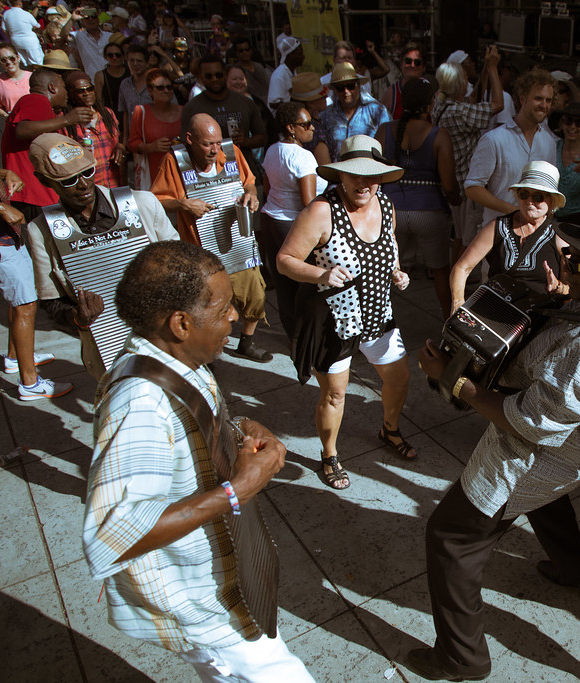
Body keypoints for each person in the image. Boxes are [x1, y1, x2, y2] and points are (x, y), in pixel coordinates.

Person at [408, 199, 580, 682]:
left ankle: (462, 658)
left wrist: (453, 381)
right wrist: (570, 291)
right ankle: (579, 571)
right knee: (546, 500)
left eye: (577, 263)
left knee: (451, 538)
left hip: (545, 451)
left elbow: (531, 423)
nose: (564, 264)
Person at [82, 240, 315, 682]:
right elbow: (110, 532)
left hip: (222, 588)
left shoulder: (177, 361)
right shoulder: (140, 404)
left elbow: (190, 424)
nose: (234, 315)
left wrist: (242, 425)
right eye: (224, 307)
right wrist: (238, 489)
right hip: (202, 609)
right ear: (181, 322)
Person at [276, 135, 413, 489]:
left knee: (398, 378)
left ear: (381, 177)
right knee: (335, 394)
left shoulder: (386, 204)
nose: (363, 183)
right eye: (354, 175)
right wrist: (321, 273)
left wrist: (396, 269)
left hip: (378, 313)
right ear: (341, 176)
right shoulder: (321, 211)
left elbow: (390, 241)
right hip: (333, 321)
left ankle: (390, 429)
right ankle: (329, 454)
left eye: (371, 176)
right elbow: (285, 260)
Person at [23, 132, 178, 378]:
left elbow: (182, 263)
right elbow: (51, 302)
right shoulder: (42, 231)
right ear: (44, 180)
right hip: (106, 345)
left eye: (87, 173)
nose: (83, 184)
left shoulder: (142, 204)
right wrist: (78, 317)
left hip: (167, 334)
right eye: (68, 180)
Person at [151, 113, 272, 363]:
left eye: (217, 143)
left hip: (237, 244)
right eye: (207, 144)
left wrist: (251, 195)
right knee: (207, 308)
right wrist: (183, 205)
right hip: (200, 251)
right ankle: (209, 353)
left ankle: (246, 343)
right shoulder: (174, 162)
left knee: (255, 295)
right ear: (189, 139)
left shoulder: (232, 152)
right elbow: (156, 201)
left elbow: (249, 182)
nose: (214, 150)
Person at [376, 77, 460, 319]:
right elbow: (449, 184)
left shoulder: (384, 131)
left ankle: (377, 323)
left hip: (390, 211)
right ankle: (449, 322)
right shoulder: (439, 135)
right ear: (430, 104)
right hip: (429, 212)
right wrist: (456, 201)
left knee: (383, 271)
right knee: (441, 272)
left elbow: (374, 173)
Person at [0, 158, 72, 400]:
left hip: (5, 234)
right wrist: (0, 208)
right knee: (25, 305)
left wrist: (5, 174)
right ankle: (30, 383)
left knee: (17, 299)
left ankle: (16, 358)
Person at [450, 161, 567, 313]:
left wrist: (558, 287)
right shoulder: (497, 227)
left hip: (540, 318)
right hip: (496, 312)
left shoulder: (559, 236)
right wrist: (458, 302)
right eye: (524, 194)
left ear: (551, 201)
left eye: (538, 196)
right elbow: (462, 267)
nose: (530, 201)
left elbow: (572, 289)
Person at [259, 102, 326, 339]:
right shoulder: (303, 156)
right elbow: (309, 203)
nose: (312, 128)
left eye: (312, 122)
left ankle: (294, 339)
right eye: (305, 124)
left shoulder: (272, 150)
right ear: (291, 128)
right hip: (292, 225)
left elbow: (267, 188)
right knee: (308, 285)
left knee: (284, 285)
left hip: (271, 219)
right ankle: (312, 339)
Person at [464, 68, 556, 231]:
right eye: (538, 98)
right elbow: (472, 188)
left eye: (548, 100)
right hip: (498, 232)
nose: (544, 105)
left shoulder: (549, 142)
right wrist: (514, 211)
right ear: (522, 99)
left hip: (534, 234)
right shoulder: (494, 139)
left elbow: (550, 191)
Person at [432, 47, 503, 251]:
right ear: (459, 85)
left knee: (460, 235)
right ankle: (458, 278)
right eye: (464, 80)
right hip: (465, 187)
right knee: (466, 239)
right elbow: (497, 105)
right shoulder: (459, 113)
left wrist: (483, 75)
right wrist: (492, 68)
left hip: (455, 182)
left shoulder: (441, 102)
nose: (467, 83)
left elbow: (470, 101)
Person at [2, 69, 93, 222]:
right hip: (35, 195)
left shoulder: (43, 109)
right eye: (64, 88)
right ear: (52, 88)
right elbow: (22, 130)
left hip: (33, 196)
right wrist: (67, 120)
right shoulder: (36, 100)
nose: (67, 94)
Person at [181, 56, 267, 177]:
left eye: (219, 75)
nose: (214, 79)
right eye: (209, 76)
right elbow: (186, 146)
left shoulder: (245, 102)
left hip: (245, 175)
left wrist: (246, 141)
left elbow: (262, 137)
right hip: (210, 179)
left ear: (225, 74)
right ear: (200, 77)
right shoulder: (192, 108)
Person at [314, 61, 389, 165]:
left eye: (350, 86)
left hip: (369, 172)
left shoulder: (376, 111)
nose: (346, 91)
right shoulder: (326, 115)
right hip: (338, 174)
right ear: (334, 90)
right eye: (340, 88)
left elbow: (388, 143)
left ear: (358, 85)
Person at [65, 70, 125, 187]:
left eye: (89, 89)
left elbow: (118, 140)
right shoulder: (68, 122)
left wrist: (120, 147)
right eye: (80, 91)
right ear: (71, 94)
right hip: (89, 185)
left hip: (113, 182)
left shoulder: (107, 114)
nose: (86, 93)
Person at [127, 67, 181, 189]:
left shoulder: (183, 111)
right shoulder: (141, 112)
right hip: (153, 174)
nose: (166, 90)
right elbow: (132, 143)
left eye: (169, 87)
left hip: (180, 171)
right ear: (150, 91)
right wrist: (151, 147)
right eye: (160, 88)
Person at [380, 41, 423, 120]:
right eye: (408, 61)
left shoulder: (432, 92)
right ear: (401, 64)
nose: (412, 65)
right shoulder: (391, 94)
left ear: (424, 67)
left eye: (417, 62)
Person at [116, 43, 149, 141]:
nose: (135, 64)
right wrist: (126, 139)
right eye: (131, 60)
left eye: (139, 61)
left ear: (146, 63)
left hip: (155, 135)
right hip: (135, 138)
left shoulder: (156, 83)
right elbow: (125, 113)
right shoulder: (125, 84)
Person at [69, 5, 112, 78]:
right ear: (82, 21)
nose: (90, 19)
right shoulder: (78, 36)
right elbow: (62, 36)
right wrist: (72, 19)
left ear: (98, 19)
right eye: (86, 18)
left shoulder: (110, 36)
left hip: (112, 78)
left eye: (93, 16)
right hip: (92, 80)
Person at [0, 43, 31, 116]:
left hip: (37, 118)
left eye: (12, 58)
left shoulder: (32, 76)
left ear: (18, 58)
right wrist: (8, 117)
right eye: (3, 60)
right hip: (16, 123)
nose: (8, 62)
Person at [2, 0, 42, 67]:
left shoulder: (6, 14)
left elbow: (5, 30)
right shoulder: (26, 13)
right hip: (29, 40)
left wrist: (10, 39)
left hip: (15, 41)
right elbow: (37, 26)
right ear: (20, 3)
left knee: (25, 62)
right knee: (37, 62)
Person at [267, 36, 302, 112]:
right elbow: (273, 103)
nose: (303, 57)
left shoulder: (294, 72)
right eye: (300, 54)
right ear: (291, 55)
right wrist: (293, 107)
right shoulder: (279, 76)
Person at [94, 40, 128, 117]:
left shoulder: (130, 72)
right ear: (106, 57)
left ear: (123, 56)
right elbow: (99, 101)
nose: (114, 58)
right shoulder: (101, 76)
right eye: (110, 55)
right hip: (112, 116)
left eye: (117, 55)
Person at [232, 36, 271, 103]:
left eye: (247, 49)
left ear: (251, 50)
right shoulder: (236, 71)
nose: (244, 52)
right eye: (241, 51)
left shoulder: (259, 66)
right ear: (236, 53)